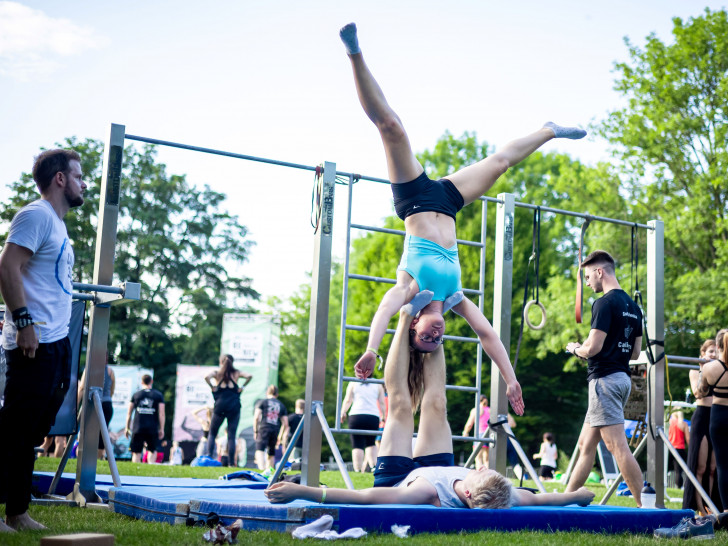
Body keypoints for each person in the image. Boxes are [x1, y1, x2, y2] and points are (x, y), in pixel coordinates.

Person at [340, 23, 586, 418]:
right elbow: (488, 336)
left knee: (391, 128)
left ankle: (353, 53)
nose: (435, 337)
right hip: (450, 203)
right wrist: (510, 378)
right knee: (501, 163)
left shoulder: (409, 291)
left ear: (416, 324)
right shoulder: (455, 299)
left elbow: (384, 312)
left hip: (415, 199)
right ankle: (549, 130)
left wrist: (372, 348)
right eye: (436, 342)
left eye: (424, 338)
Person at [266, 304, 594, 509]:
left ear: (466, 495)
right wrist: (575, 497)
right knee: (436, 403)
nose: (480, 468)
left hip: (401, 477)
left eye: (479, 474)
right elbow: (541, 499)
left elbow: (364, 498)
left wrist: (303, 491)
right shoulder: (500, 493)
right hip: (436, 463)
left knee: (401, 407)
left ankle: (408, 315)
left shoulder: (420, 493)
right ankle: (434, 317)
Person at [0, 148, 87, 532]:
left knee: (33, 431)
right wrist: (23, 322)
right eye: (79, 175)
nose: (83, 182)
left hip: (55, 342)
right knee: (15, 430)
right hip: (31, 341)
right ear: (60, 179)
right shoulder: (35, 215)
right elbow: (7, 265)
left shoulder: (57, 224)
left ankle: (17, 512)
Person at [565, 250, 644, 507]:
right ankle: (564, 500)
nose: (587, 283)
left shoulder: (603, 303)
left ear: (600, 272)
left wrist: (575, 348)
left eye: (588, 277)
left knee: (617, 446)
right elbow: (635, 353)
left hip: (605, 382)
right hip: (621, 379)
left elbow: (593, 349)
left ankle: (647, 507)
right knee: (585, 445)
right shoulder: (634, 307)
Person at [684, 338, 722, 514]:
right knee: (700, 466)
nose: (713, 355)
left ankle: (712, 506)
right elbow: (697, 393)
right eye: (710, 352)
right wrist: (704, 371)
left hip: (715, 417)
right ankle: (699, 507)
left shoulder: (719, 371)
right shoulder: (695, 372)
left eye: (716, 351)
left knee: (714, 468)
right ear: (703, 354)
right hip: (701, 417)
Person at [697, 328, 728, 514]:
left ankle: (726, 510)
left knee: (723, 466)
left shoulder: (710, 368)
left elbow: (702, 391)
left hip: (719, 418)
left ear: (718, 346)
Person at [204, 354, 252, 467]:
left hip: (220, 405)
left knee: (212, 432)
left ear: (221, 362)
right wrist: (242, 387)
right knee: (231, 435)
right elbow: (249, 376)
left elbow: (206, 377)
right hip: (234, 406)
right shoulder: (236, 373)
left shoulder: (217, 373)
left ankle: (209, 458)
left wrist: (212, 386)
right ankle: (231, 463)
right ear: (232, 362)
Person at [341, 381, 385, 472]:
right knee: (371, 443)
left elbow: (348, 400)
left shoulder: (353, 382)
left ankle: (357, 470)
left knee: (357, 444)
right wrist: (383, 416)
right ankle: (373, 467)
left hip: (356, 415)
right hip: (372, 416)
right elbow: (381, 402)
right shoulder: (377, 384)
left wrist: (343, 412)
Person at [77, 359, 115, 460]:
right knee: (103, 432)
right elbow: (112, 390)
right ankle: (99, 457)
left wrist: (76, 406)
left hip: (92, 403)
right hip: (107, 404)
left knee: (86, 430)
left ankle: (83, 457)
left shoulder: (88, 369)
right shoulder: (110, 371)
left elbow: (81, 388)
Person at [125, 374, 165, 463]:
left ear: (142, 382)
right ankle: (150, 469)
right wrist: (161, 429)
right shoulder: (158, 395)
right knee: (152, 450)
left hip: (138, 427)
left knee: (136, 452)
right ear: (152, 381)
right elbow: (161, 413)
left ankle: (135, 473)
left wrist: (127, 428)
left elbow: (129, 413)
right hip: (152, 427)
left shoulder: (136, 395)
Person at [253, 385, 289, 470]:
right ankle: (270, 471)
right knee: (271, 452)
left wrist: (256, 431)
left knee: (260, 449)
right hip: (275, 429)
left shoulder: (262, 402)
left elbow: (256, 417)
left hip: (264, 428)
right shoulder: (281, 405)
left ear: (267, 393)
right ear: (277, 394)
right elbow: (285, 424)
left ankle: (261, 470)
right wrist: (280, 436)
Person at [462, 395, 491, 469]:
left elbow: (469, 424)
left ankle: (480, 477)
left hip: (480, 434)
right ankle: (488, 477)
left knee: (478, 458)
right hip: (489, 435)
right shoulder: (490, 410)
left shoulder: (476, 410)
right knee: (487, 460)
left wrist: (465, 432)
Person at [667, 411, 689, 489]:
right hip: (679, 448)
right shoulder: (683, 424)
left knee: (664, 467)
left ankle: (660, 484)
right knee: (678, 470)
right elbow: (688, 439)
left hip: (669, 448)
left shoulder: (669, 422)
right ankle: (678, 486)